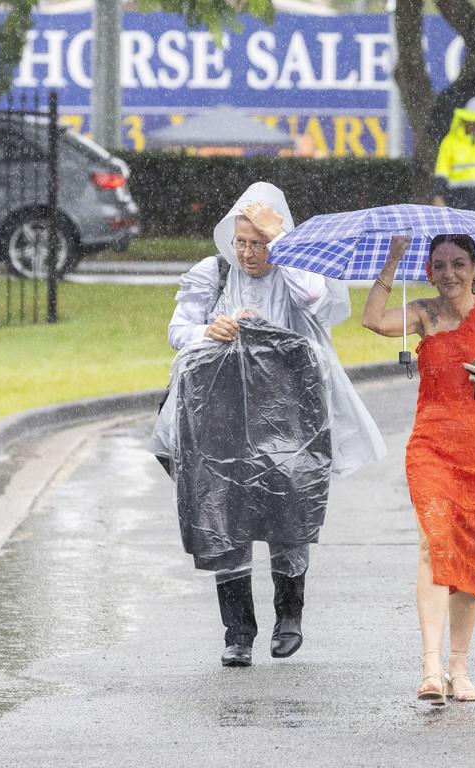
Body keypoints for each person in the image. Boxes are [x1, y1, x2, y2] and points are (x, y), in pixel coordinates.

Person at [151, 182, 385, 668]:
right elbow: (179, 330)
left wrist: (285, 244)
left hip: (290, 416)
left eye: (258, 243)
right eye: (242, 242)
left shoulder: (298, 273)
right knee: (224, 512)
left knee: (289, 508)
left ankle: (289, 615)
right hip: (222, 414)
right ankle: (237, 632)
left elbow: (320, 301)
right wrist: (207, 330)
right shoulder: (212, 274)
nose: (249, 253)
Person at [360, 234, 475, 705]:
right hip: (432, 447)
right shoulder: (423, 313)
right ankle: (429, 667)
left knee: (470, 554)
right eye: (439, 265)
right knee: (434, 543)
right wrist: (392, 260)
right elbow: (372, 320)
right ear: (427, 270)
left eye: (458, 264)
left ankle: (458, 668)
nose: (448, 274)